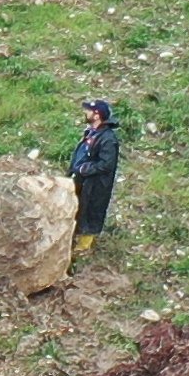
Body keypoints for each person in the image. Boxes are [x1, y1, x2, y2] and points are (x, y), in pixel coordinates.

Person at [70, 99, 126, 264]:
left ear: (97, 115)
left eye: (88, 110)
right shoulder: (92, 132)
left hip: (96, 186)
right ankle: (73, 237)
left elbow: (106, 164)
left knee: (91, 213)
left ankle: (83, 249)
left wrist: (85, 169)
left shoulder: (108, 140)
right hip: (82, 181)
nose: (85, 113)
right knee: (78, 209)